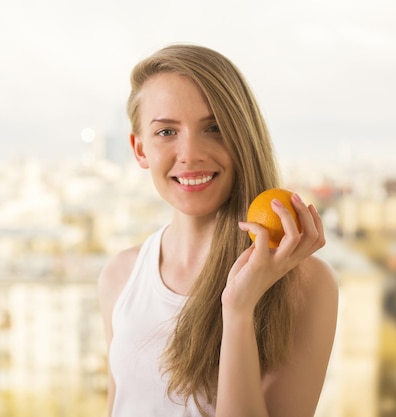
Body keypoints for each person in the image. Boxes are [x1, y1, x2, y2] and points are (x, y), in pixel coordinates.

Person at [97, 44, 338, 417]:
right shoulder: (120, 276)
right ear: (139, 149)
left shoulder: (303, 284)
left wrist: (239, 311)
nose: (190, 153)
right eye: (166, 132)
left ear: (244, 137)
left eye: (215, 127)